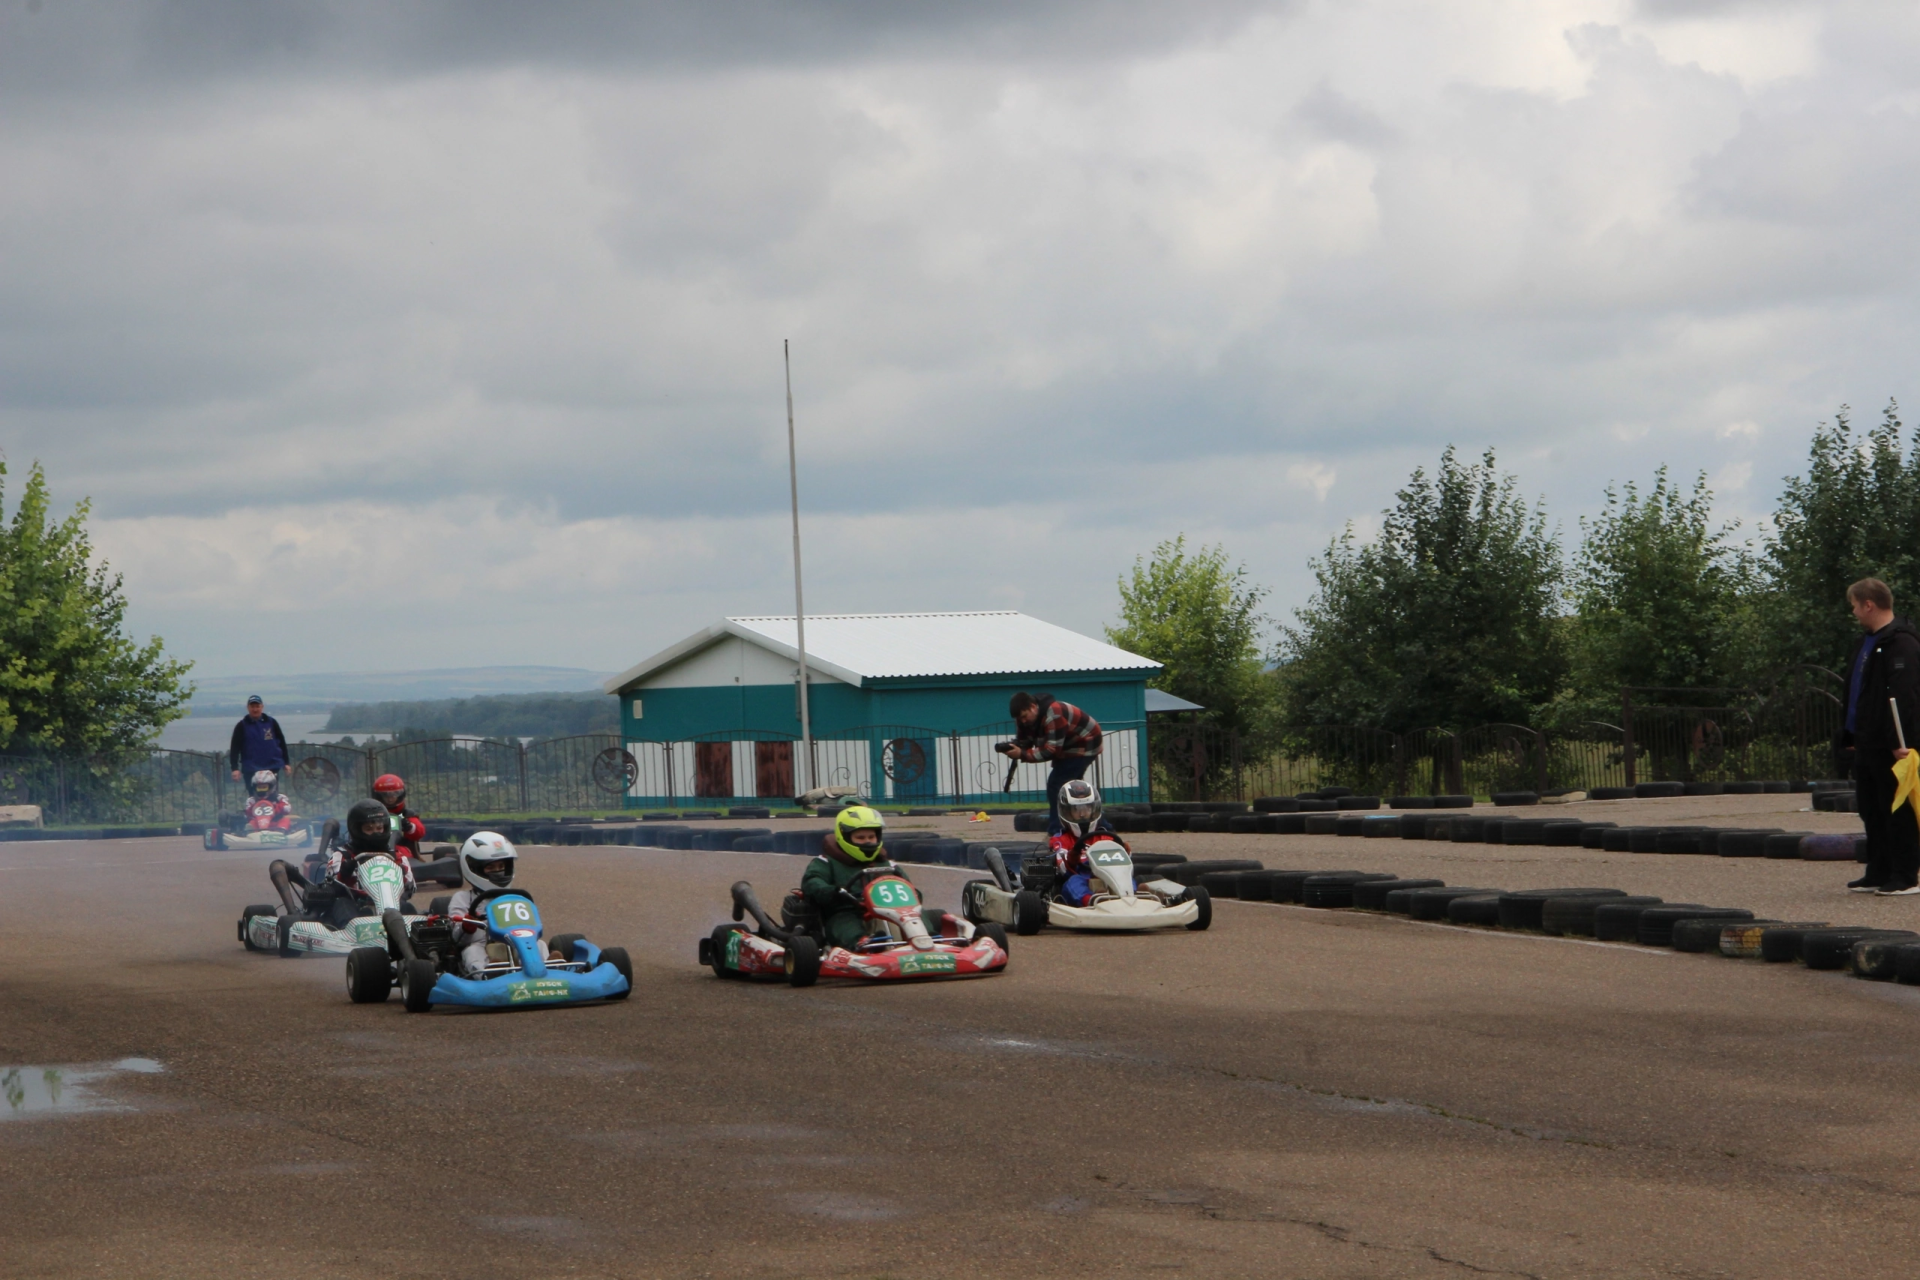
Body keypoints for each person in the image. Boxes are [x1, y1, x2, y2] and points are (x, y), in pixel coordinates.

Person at [1838, 578, 1920, 894]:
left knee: (1896, 809)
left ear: (1868, 604)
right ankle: (1878, 870)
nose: (1855, 613)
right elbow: (1857, 693)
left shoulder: (1902, 643)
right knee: (1870, 808)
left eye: (1856, 606)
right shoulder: (1865, 643)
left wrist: (1905, 742)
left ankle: (1904, 874)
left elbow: (1907, 696)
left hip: (1892, 744)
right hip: (1865, 740)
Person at [801, 805, 907, 950]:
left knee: (914, 915)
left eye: (871, 837)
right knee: (844, 922)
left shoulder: (888, 865)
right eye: (861, 838)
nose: (868, 842)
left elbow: (910, 889)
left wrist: (913, 895)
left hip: (891, 912)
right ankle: (864, 944)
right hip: (848, 911)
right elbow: (812, 882)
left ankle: (930, 939)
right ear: (844, 837)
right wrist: (833, 891)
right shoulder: (826, 862)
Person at [998, 692, 1103, 835]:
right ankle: (1099, 827)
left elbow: (1051, 750)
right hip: (1066, 745)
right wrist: (1013, 746)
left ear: (1033, 707)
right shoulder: (1025, 720)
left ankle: (1057, 830)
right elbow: (1025, 741)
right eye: (1019, 718)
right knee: (1074, 790)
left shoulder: (1054, 714)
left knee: (1057, 784)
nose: (1022, 721)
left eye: (1024, 716)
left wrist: (1022, 754)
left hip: (1085, 743)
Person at [308, 798, 399, 927]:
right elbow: (331, 884)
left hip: (389, 906)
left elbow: (410, 888)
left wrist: (401, 870)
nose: (375, 833)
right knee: (342, 903)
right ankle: (353, 932)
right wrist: (346, 871)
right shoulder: (343, 855)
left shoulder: (395, 857)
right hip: (356, 904)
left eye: (379, 828)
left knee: (407, 907)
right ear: (356, 830)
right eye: (369, 829)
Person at [445, 831, 524, 978]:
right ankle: (490, 974)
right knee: (471, 951)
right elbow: (456, 939)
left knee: (539, 945)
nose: (498, 872)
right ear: (474, 868)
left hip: (514, 943)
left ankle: (549, 968)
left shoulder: (516, 897)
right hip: (480, 944)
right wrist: (466, 926)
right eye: (491, 867)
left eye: (501, 866)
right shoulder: (463, 898)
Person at [1047, 778, 1127, 906]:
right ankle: (1092, 901)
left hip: (1109, 878)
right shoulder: (1060, 839)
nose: (1083, 814)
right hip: (1080, 877)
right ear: (1066, 811)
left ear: (1094, 809)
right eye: (1077, 810)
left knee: (1126, 879)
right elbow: (1062, 867)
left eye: (1087, 809)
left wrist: (1125, 851)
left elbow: (1122, 863)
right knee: (1073, 882)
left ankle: (1134, 896)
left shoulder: (1105, 836)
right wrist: (1074, 856)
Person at [228, 696, 290, 786]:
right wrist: (235, 768)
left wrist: (286, 763)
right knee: (254, 798)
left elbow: (282, 743)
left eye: (257, 706)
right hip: (251, 769)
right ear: (248, 708)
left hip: (272, 767)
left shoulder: (271, 722)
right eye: (252, 707)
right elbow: (234, 748)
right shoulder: (241, 726)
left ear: (262, 707)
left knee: (272, 797)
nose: (255, 709)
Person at [373, 773, 425, 863]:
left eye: (394, 794)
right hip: (374, 848)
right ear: (379, 796)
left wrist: (409, 827)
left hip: (400, 848)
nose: (390, 799)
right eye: (386, 795)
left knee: (402, 855)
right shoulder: (371, 813)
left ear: (401, 794)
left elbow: (420, 832)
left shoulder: (407, 814)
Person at [243, 770, 295, 836]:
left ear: (272, 786)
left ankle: (280, 833)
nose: (262, 789)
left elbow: (287, 809)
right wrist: (252, 809)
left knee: (285, 820)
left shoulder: (279, 798)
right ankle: (251, 834)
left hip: (275, 823)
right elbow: (247, 814)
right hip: (258, 825)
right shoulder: (251, 800)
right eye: (259, 787)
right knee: (251, 823)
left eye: (264, 787)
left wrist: (277, 808)